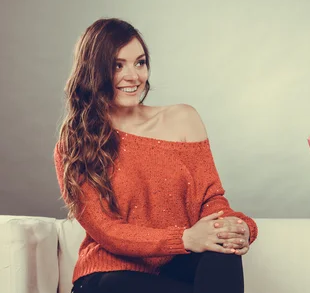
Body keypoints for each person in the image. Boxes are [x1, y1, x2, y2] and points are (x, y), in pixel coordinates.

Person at [53, 18, 258, 293]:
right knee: (117, 285)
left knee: (222, 246)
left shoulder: (183, 119)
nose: (134, 76)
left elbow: (211, 200)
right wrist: (184, 238)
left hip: (175, 268)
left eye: (140, 62)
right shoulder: (76, 143)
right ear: (94, 71)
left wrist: (239, 228)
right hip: (109, 277)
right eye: (117, 65)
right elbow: (107, 231)